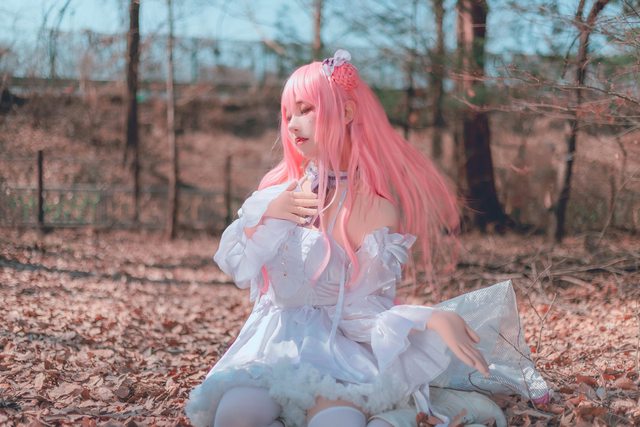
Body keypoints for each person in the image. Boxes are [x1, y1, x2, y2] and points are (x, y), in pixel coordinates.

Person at [186, 50, 549, 427]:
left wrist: (427, 319)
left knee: (336, 423)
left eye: (305, 110)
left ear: (346, 112)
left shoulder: (374, 209)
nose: (292, 125)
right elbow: (237, 266)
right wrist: (267, 214)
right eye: (288, 114)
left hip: (339, 352)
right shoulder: (275, 196)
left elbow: (364, 312)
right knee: (235, 416)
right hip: (271, 347)